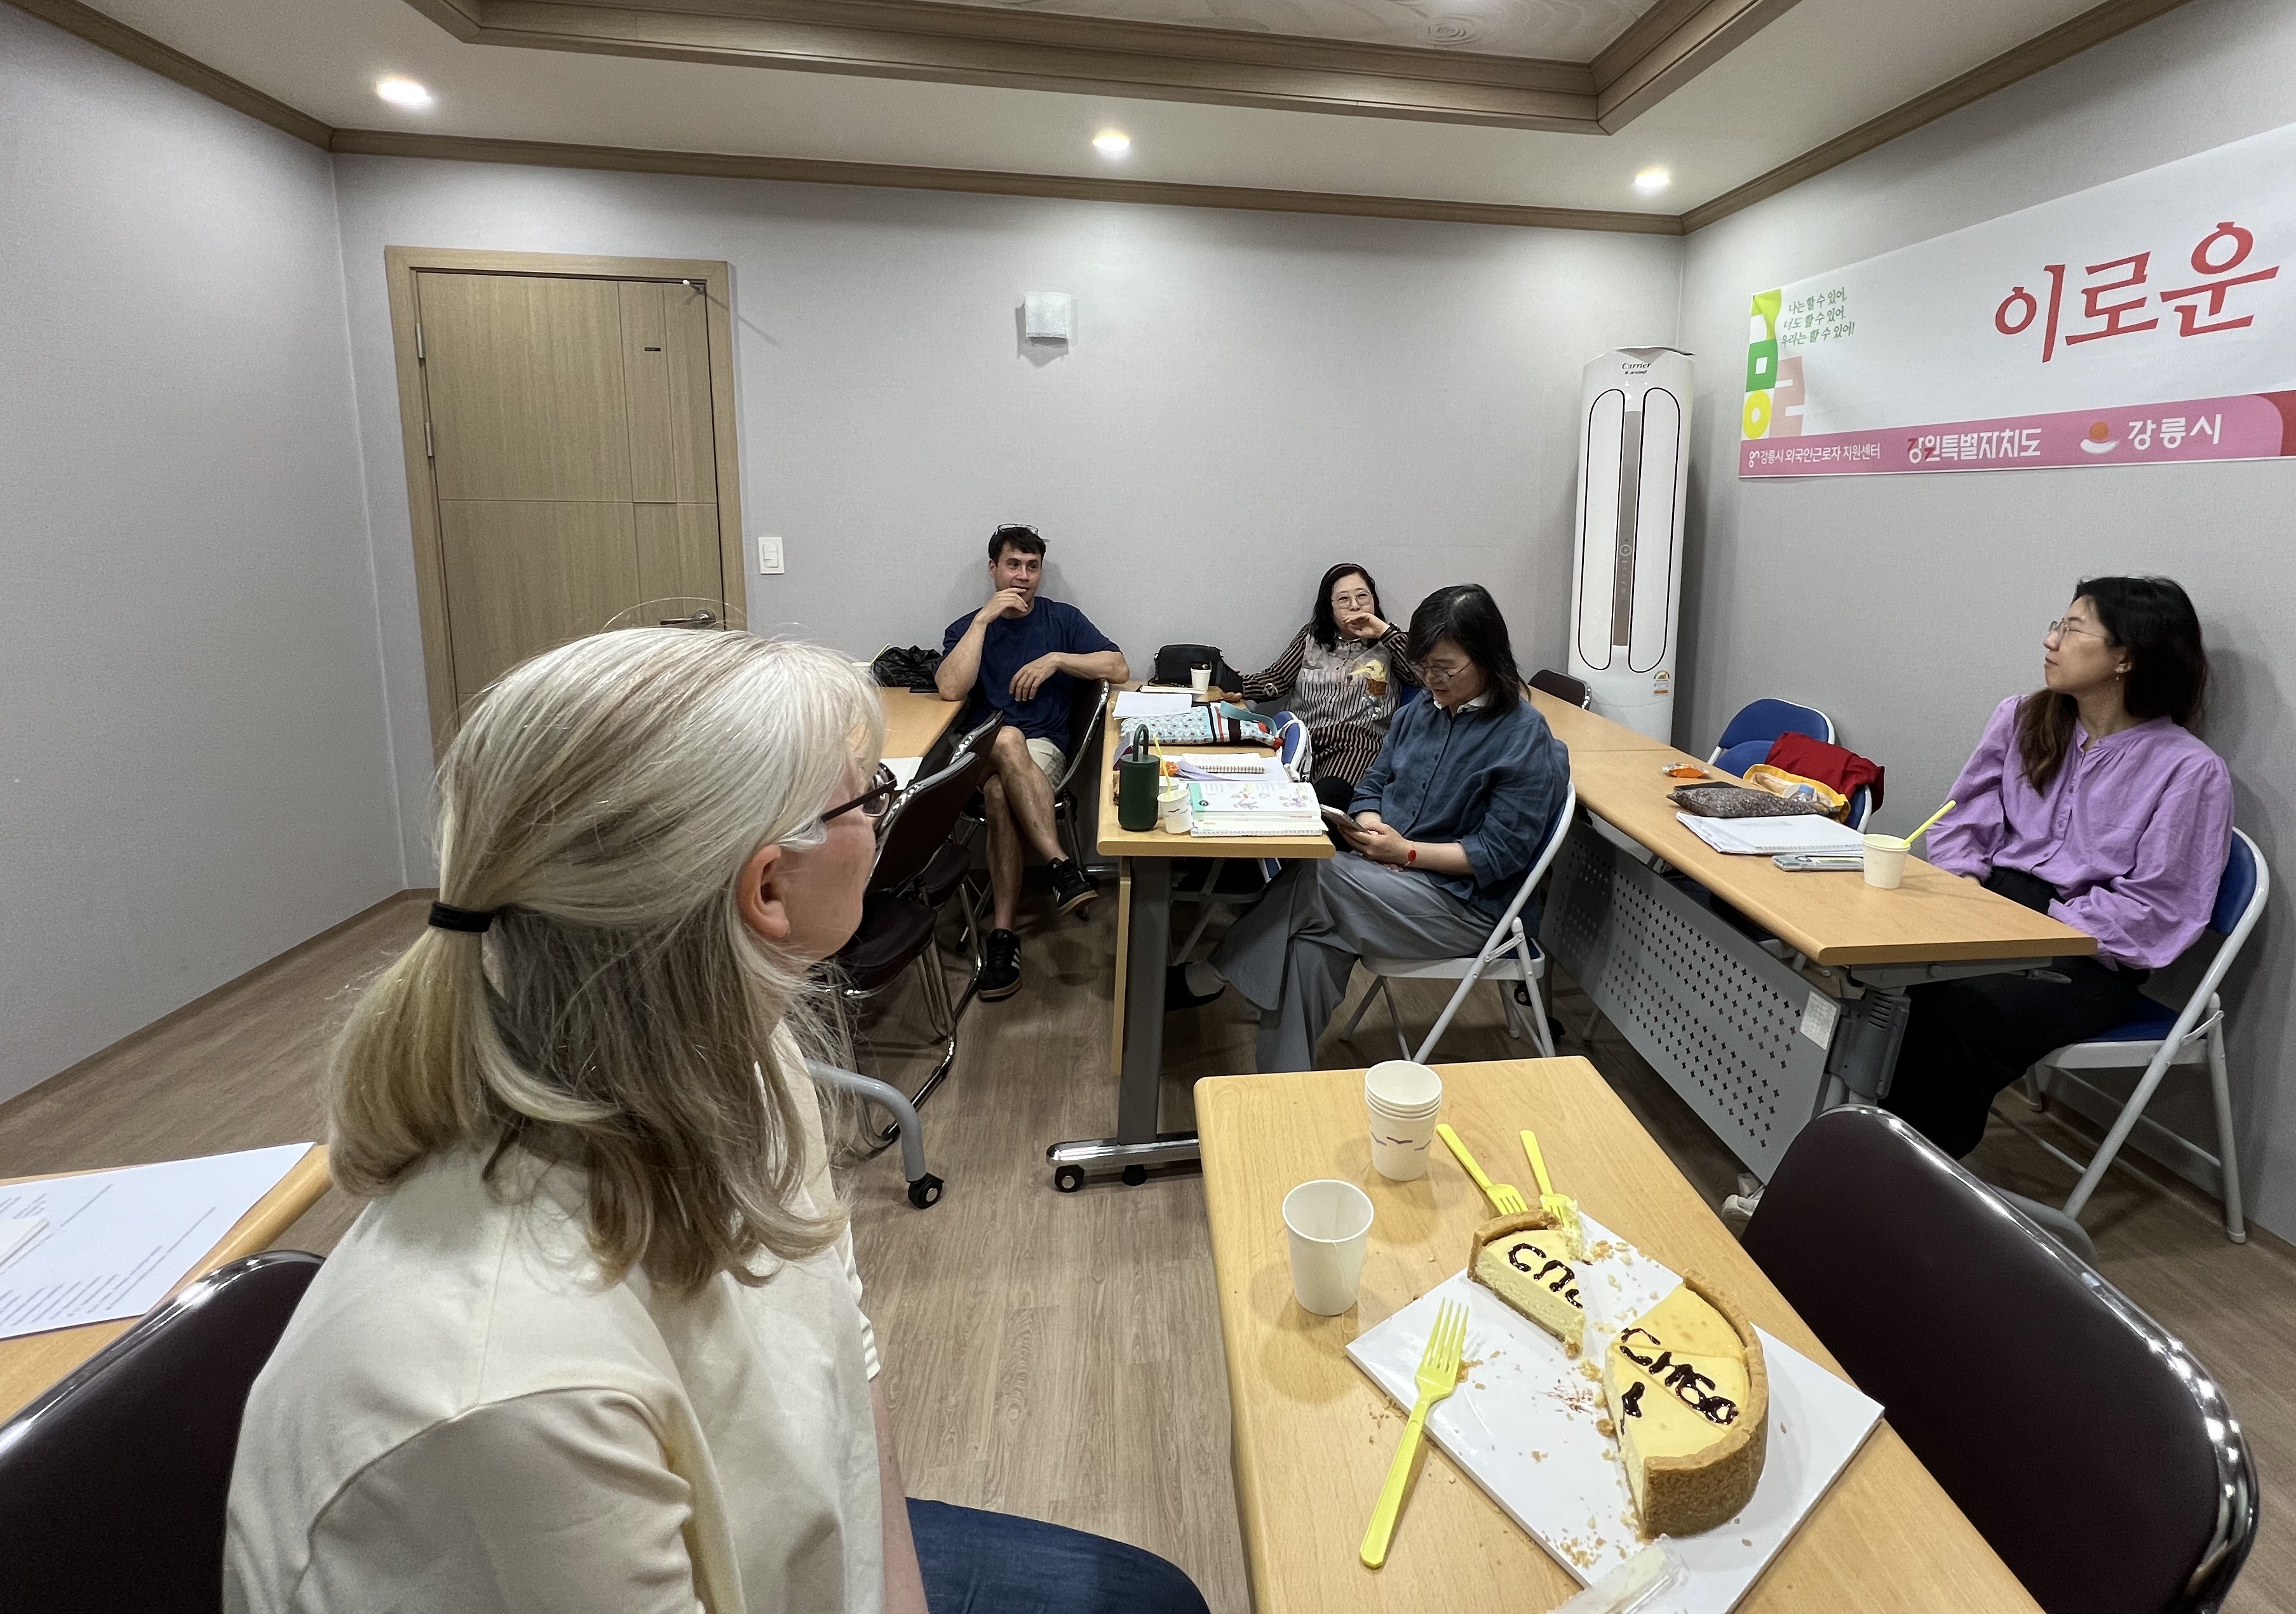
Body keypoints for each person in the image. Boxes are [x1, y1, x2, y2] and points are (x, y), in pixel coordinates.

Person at [224, 628, 1210, 1614]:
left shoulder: (749, 1056)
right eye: (871, 797)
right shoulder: (502, 1398)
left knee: (1150, 1599)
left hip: (781, 1528)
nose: (885, 816)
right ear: (769, 887)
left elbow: (842, 1355)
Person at [1883, 576, 2233, 1159]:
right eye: (2057, 626)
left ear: (2125, 658)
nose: (2051, 641)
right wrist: (1966, 883)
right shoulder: (2023, 718)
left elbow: (2159, 908)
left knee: (1960, 1015)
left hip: (2087, 954)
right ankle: (1843, 1149)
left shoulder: (2189, 770)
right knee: (1879, 980)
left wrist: (2039, 922)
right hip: (1986, 904)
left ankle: (1899, 1180)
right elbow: (1965, 816)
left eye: (2073, 630)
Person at [1173, 584, 1571, 1071]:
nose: (1431, 680)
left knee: (1318, 874)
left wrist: (1406, 853)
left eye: (1445, 669)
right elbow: (1372, 784)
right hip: (1389, 883)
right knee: (1308, 946)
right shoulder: (1420, 713)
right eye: (1424, 667)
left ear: (1488, 658)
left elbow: (1498, 854)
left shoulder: (1523, 736)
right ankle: (1285, 1089)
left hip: (1467, 909)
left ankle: (1209, 976)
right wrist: (1370, 825)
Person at [936, 525, 1129, 1001]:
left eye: (1032, 567)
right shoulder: (968, 627)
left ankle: (1002, 938)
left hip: (1045, 749)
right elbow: (951, 689)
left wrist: (1058, 660)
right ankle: (1060, 864)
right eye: (1013, 565)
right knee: (1005, 737)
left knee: (1001, 793)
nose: (1022, 577)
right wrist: (983, 622)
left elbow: (1119, 668)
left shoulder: (1061, 620)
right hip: (980, 753)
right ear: (993, 569)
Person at [1231, 562, 1420, 809]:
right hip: (1303, 740)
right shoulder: (1311, 638)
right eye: (1343, 599)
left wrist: (1384, 632)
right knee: (1260, 795)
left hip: (1357, 743)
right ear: (1329, 608)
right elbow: (1277, 679)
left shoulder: (1390, 644)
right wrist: (1235, 686)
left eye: (1363, 596)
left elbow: (1422, 676)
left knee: (1326, 799)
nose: (1355, 606)